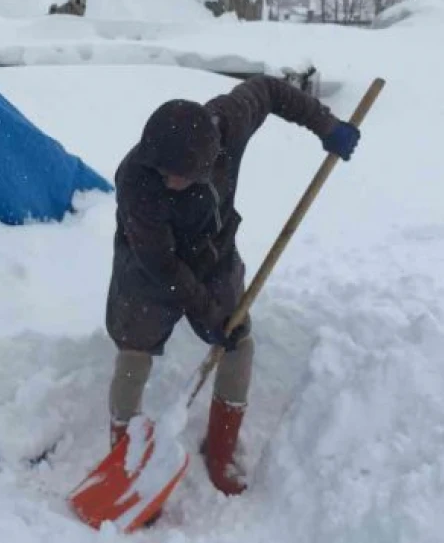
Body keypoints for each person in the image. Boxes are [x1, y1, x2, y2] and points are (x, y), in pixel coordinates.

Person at [104, 73, 360, 497]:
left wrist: (326, 125)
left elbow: (269, 89)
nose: (167, 181)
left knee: (237, 341)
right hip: (148, 265)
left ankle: (221, 450)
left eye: (177, 175)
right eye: (161, 172)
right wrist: (207, 311)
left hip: (212, 253)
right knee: (135, 347)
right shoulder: (137, 181)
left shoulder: (229, 120)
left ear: (207, 162)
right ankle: (123, 456)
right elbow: (162, 266)